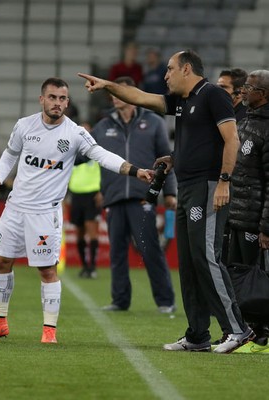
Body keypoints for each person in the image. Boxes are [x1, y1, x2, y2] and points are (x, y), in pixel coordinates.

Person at [78, 49, 255, 354]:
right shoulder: (181, 101)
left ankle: (237, 329)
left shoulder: (213, 95)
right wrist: (108, 85)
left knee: (206, 257)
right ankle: (198, 334)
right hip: (188, 186)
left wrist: (224, 181)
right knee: (187, 263)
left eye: (170, 69)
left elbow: (231, 140)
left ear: (187, 69)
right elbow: (140, 96)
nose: (165, 75)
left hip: (209, 185)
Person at [0, 77, 152, 344]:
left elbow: (102, 155)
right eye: (53, 97)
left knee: (46, 270)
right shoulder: (24, 126)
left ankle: (49, 331)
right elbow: (10, 155)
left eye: (62, 98)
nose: (58, 103)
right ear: (42, 99)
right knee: (2, 262)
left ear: (67, 102)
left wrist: (135, 171)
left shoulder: (75, 133)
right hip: (15, 208)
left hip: (45, 213)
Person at [91, 76, 177, 313]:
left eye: (120, 92)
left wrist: (170, 192)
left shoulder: (153, 122)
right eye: (113, 93)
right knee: (117, 252)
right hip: (114, 196)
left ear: (131, 94)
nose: (115, 97)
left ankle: (165, 301)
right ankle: (120, 300)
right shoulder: (103, 125)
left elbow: (166, 158)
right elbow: (85, 153)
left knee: (150, 249)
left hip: (144, 197)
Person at [227, 70, 269, 349]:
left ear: (263, 94)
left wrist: (266, 226)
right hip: (236, 215)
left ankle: (262, 335)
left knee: (258, 281)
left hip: (255, 220)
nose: (243, 90)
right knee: (239, 278)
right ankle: (245, 332)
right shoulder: (245, 121)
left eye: (249, 87)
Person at [216, 68, 248, 267]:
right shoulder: (218, 113)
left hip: (241, 198)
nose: (217, 92)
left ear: (240, 92)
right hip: (222, 192)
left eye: (223, 88)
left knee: (240, 261)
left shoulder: (249, 119)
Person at [68, 122, 102, 279]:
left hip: (91, 195)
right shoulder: (70, 152)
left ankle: (92, 267)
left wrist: (102, 191)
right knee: (79, 233)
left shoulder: (96, 151)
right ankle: (84, 266)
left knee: (91, 230)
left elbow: (106, 171)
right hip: (76, 195)